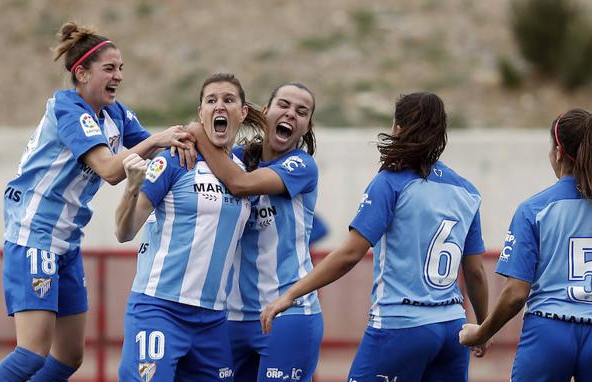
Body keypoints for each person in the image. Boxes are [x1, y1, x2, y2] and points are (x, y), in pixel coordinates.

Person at [0, 21, 192, 382]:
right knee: (31, 353)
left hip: (66, 241)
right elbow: (110, 170)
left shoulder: (115, 114)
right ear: (81, 73)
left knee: (68, 358)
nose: (118, 76)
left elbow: (160, 149)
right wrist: (157, 140)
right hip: (34, 235)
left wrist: (196, 139)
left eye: (121, 69)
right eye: (109, 69)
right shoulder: (68, 108)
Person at [261, 92, 489, 381]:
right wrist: (483, 327)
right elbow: (476, 272)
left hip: (400, 325)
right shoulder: (467, 191)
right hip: (453, 327)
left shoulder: (390, 181)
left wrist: (291, 294)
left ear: (399, 128)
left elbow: (349, 255)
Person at [115, 73, 268, 381]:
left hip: (212, 319)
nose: (219, 106)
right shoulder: (176, 159)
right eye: (210, 101)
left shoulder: (243, 172)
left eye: (228, 100)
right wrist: (131, 187)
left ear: (242, 112)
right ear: (201, 113)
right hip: (160, 309)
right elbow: (124, 232)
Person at [185, 82, 323, 382]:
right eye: (283, 105)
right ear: (265, 112)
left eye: (301, 112)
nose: (290, 114)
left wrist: (197, 133)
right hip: (231, 317)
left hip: (287, 313)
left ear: (306, 126)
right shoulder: (234, 158)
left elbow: (240, 184)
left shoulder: (301, 165)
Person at [459, 109, 592, 382]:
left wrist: (482, 332)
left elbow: (516, 294)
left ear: (558, 152)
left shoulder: (534, 209)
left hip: (550, 330)